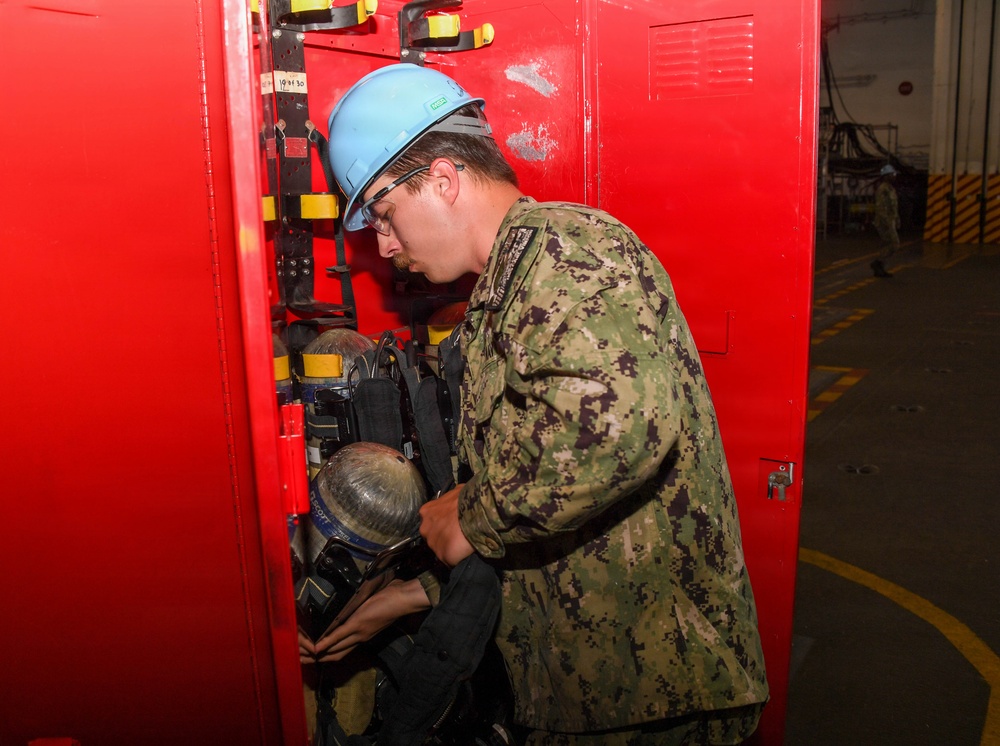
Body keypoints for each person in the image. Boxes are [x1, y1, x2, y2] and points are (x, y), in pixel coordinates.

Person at [312, 62, 769, 745]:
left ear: (442, 179)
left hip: (652, 699)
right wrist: (414, 593)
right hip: (589, 694)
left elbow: (621, 431)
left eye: (383, 214)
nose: (384, 243)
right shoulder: (501, 297)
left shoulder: (567, 252)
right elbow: (554, 525)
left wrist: (473, 512)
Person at [871, 164, 901, 278]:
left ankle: (880, 268)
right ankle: (878, 263)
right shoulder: (883, 189)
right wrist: (888, 223)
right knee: (894, 244)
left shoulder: (890, 188)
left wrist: (897, 219)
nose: (894, 176)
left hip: (890, 220)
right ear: (886, 176)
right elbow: (881, 208)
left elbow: (893, 206)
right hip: (884, 222)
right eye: (892, 174)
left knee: (887, 244)